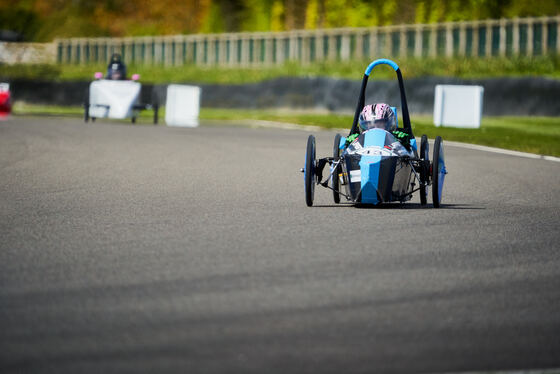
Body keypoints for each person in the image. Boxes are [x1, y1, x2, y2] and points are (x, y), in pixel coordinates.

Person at [346, 103, 412, 149]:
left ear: (387, 123)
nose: (375, 127)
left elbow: (406, 146)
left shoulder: (396, 137)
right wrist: (350, 143)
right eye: (370, 124)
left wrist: (404, 141)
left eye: (379, 123)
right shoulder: (359, 139)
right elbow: (347, 147)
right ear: (365, 125)